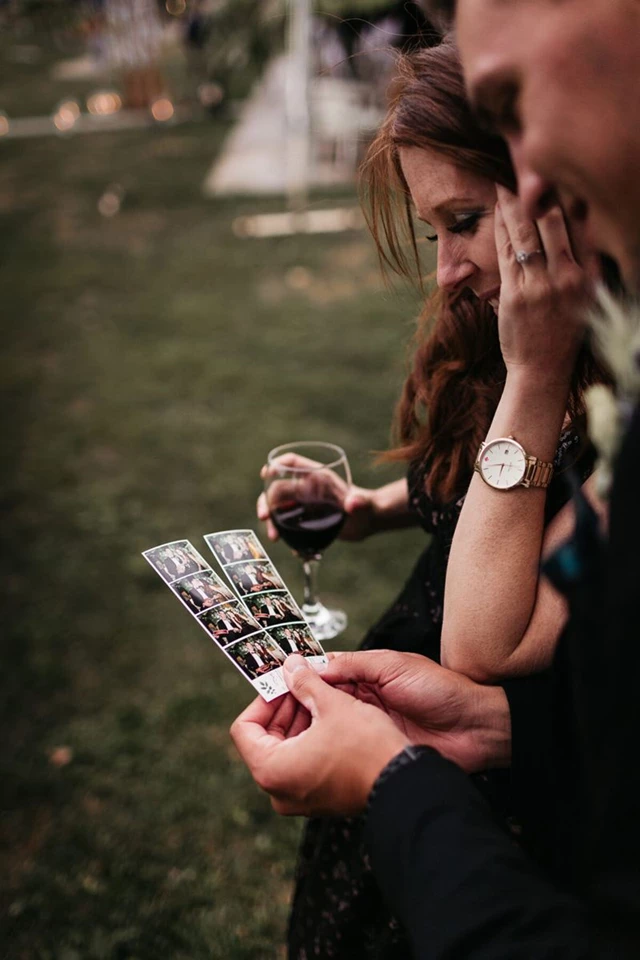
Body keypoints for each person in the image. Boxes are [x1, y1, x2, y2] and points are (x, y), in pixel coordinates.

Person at [233, 2, 640, 957]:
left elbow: (485, 640)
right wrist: (367, 510)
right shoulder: (491, 330)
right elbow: (471, 492)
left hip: (505, 841)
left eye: (465, 222)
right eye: (434, 235)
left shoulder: (581, 375)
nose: (449, 272)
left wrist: (537, 377)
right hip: (447, 762)